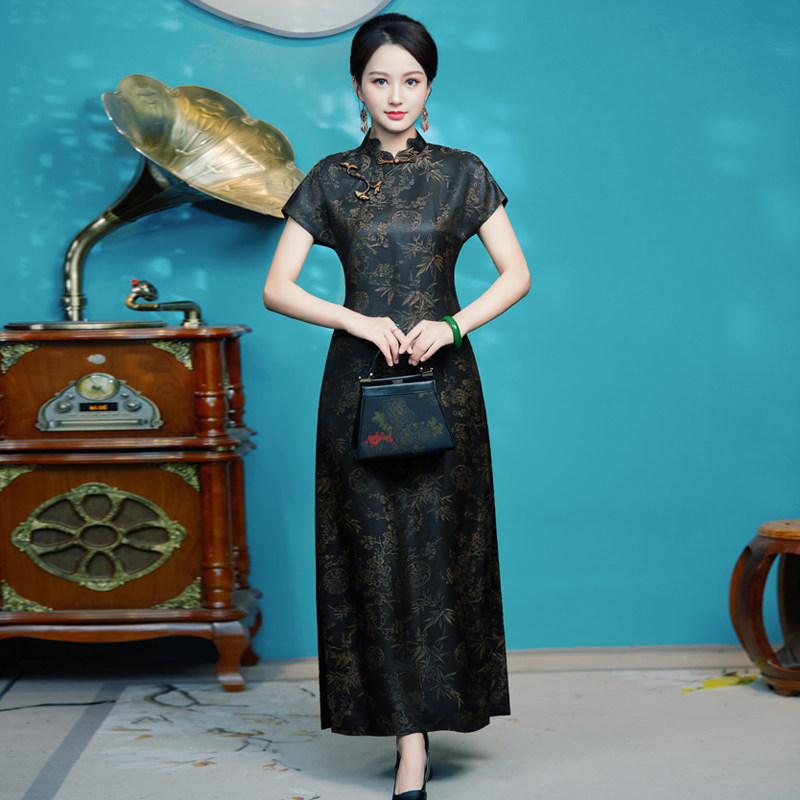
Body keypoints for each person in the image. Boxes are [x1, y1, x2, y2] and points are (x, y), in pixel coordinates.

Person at [263, 13, 530, 800]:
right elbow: (277, 289)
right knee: (373, 555)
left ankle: (438, 713)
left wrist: (453, 325)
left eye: (410, 80)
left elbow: (517, 274)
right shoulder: (328, 178)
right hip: (358, 388)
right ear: (356, 86)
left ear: (429, 86)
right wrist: (355, 320)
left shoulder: (463, 173)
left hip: (445, 386)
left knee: (441, 549)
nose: (395, 95)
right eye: (380, 79)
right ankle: (408, 742)